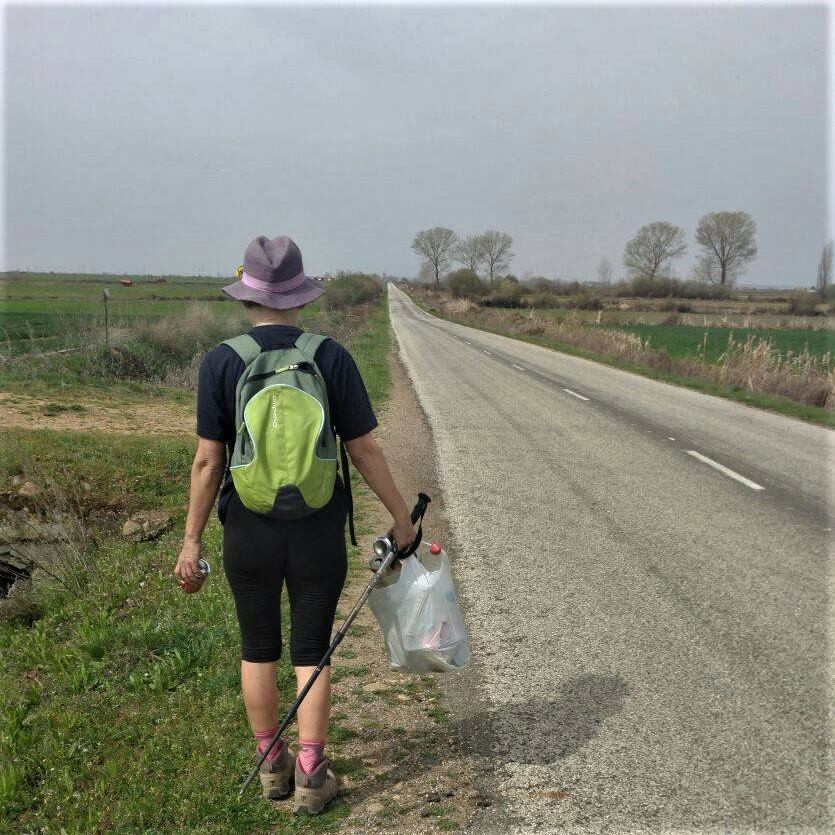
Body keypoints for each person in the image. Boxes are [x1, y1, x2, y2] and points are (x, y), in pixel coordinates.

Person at [173, 235, 416, 815]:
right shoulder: (330, 357)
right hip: (317, 526)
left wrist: (190, 540)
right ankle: (312, 773)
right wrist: (401, 517)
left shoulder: (221, 360)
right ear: (300, 296)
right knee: (312, 649)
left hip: (247, 529)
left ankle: (270, 765)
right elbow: (364, 449)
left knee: (257, 648)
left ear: (248, 296)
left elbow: (209, 460)